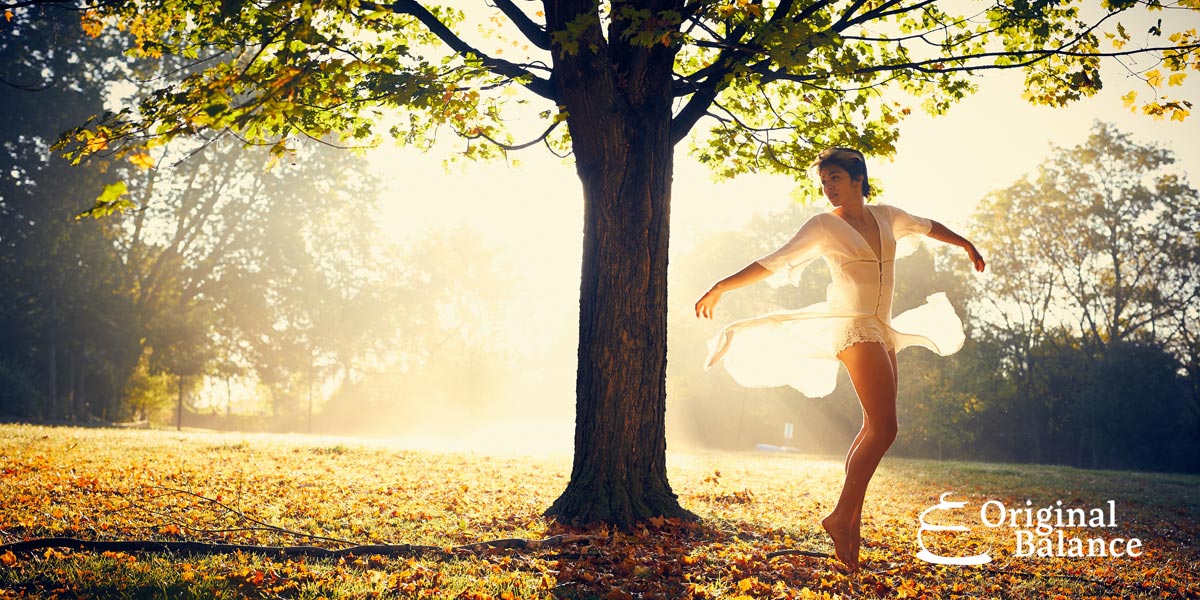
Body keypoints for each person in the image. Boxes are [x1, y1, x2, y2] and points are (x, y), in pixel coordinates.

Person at [694, 147, 986, 572]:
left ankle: (850, 519)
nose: (827, 187)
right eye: (823, 180)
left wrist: (966, 244)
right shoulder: (823, 226)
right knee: (886, 427)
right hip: (854, 327)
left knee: (874, 426)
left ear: (857, 179)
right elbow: (773, 261)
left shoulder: (887, 216)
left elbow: (927, 226)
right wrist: (721, 285)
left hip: (883, 329)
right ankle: (840, 516)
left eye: (834, 178)